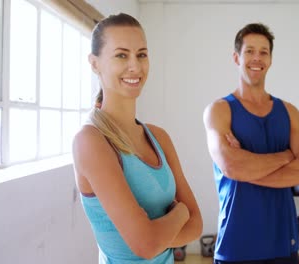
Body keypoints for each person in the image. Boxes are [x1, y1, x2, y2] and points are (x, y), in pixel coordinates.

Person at [72, 13, 202, 264]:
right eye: (121, 55)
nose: (135, 66)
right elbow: (146, 244)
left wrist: (155, 234)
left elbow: (196, 226)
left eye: (141, 54)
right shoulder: (90, 141)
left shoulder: (159, 137)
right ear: (94, 63)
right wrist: (180, 213)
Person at [203, 23, 299, 264]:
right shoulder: (219, 111)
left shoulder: (289, 112)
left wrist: (246, 166)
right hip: (236, 245)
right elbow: (231, 167)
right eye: (249, 51)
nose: (257, 58)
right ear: (236, 57)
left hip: (283, 244)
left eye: (263, 52)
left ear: (271, 59)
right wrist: (286, 157)